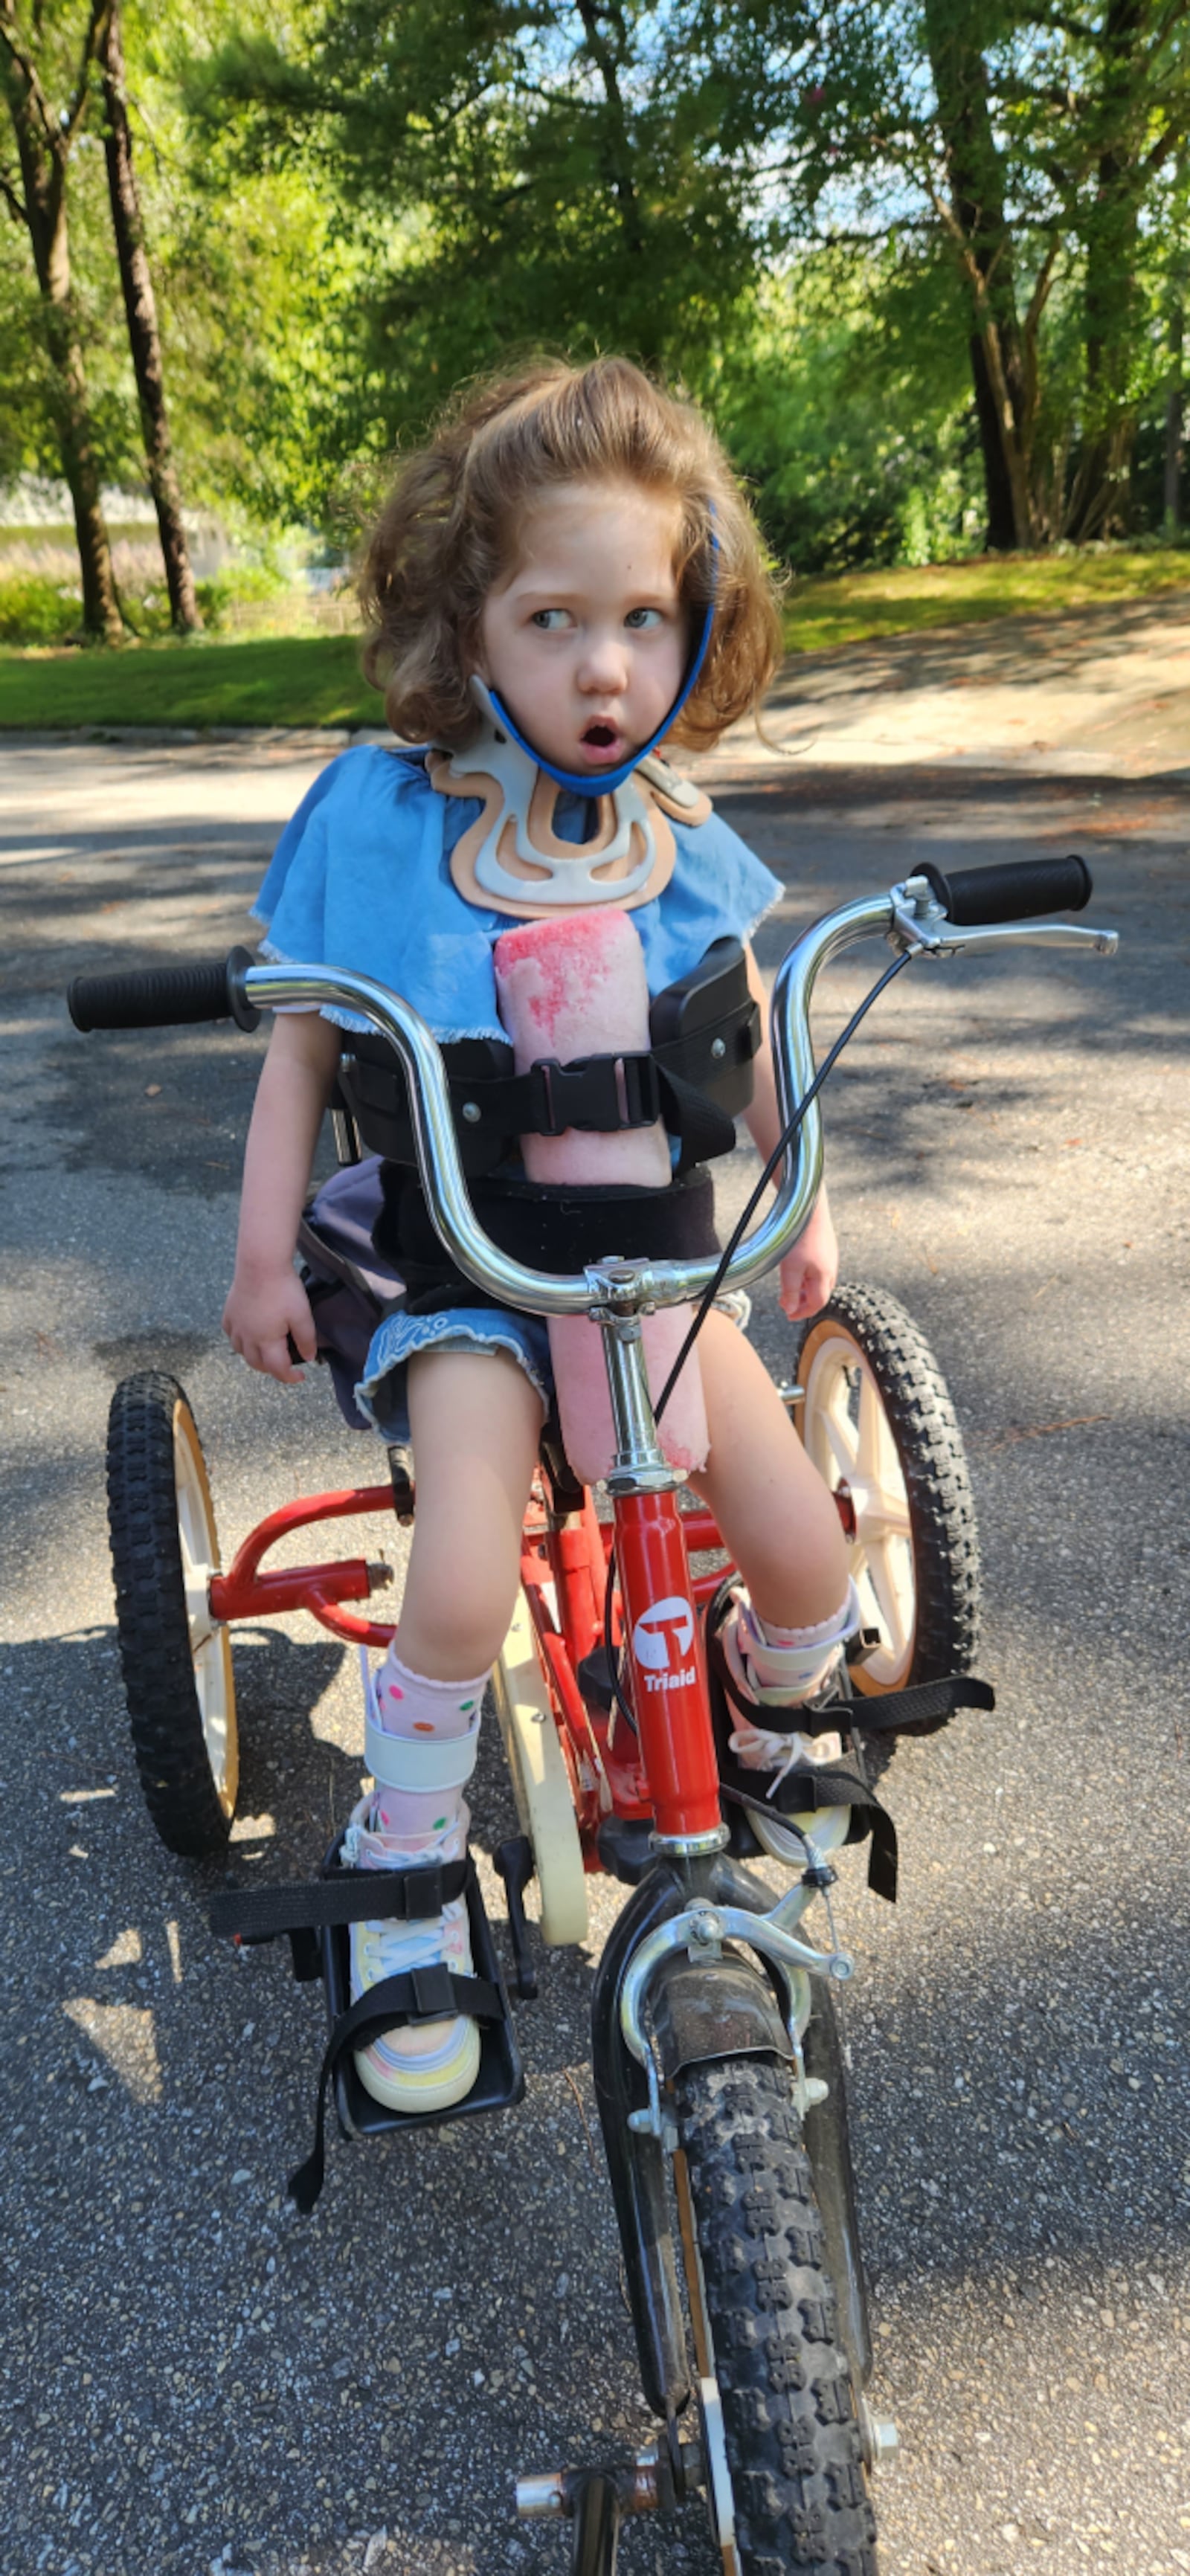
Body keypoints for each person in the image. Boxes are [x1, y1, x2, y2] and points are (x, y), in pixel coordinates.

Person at [222, 358, 855, 2119]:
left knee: (807, 1566)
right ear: (466, 619)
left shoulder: (673, 836)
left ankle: (740, 1707)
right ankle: (403, 1860)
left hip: (648, 1258)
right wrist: (267, 1251)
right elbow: (295, 1056)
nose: (601, 666)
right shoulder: (385, 813)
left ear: (697, 620)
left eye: (644, 619)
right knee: (459, 1574)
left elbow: (747, 1050)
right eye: (551, 616)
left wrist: (805, 1201)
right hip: (462, 1270)